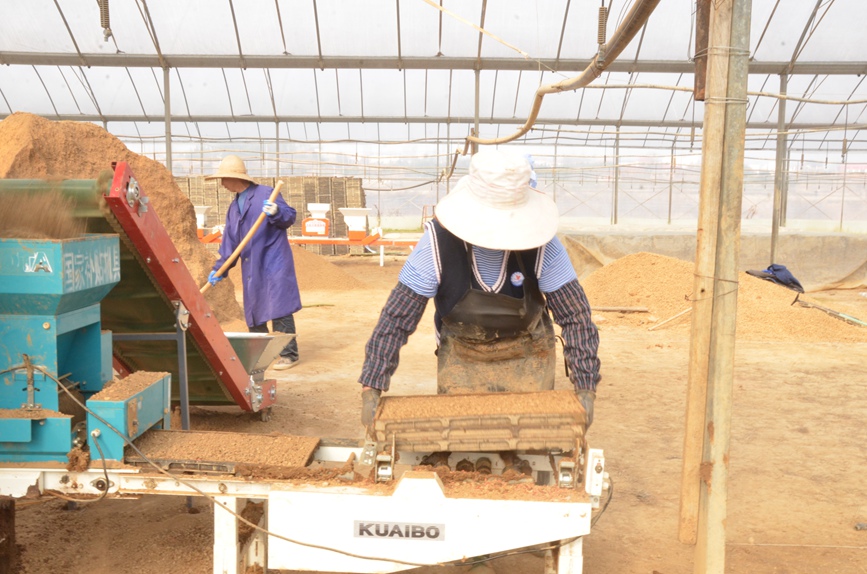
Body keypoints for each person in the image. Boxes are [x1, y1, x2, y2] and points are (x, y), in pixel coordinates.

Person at [358, 148, 600, 432]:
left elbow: (576, 316)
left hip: (529, 357)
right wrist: (372, 384)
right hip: (463, 358)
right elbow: (397, 318)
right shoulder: (438, 244)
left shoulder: (544, 245)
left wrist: (585, 385)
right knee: (461, 444)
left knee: (530, 442)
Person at [204, 155, 302, 370]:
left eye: (223, 179)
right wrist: (219, 268)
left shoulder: (266, 194)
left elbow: (289, 217)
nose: (221, 184)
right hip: (252, 264)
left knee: (279, 307)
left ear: (234, 178)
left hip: (273, 260)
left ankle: (289, 354)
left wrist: (276, 212)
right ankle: (261, 354)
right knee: (255, 308)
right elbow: (230, 242)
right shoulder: (233, 208)